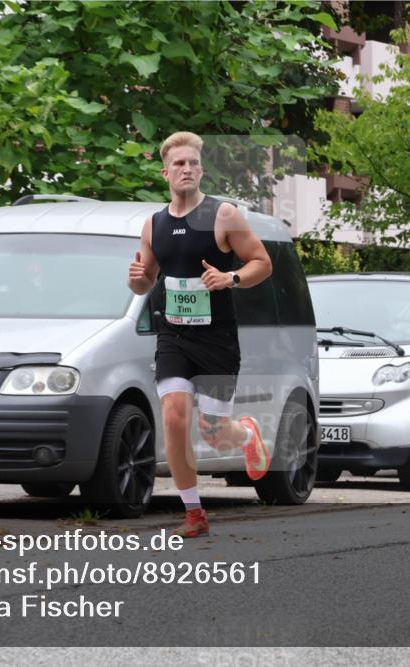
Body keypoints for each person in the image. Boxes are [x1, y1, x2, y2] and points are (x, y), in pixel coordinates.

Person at [127, 131, 273, 538]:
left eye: (193, 163)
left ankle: (246, 434)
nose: (187, 169)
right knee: (174, 416)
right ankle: (194, 512)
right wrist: (137, 280)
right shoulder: (153, 225)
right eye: (179, 163)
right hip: (173, 336)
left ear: (201, 170)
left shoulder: (223, 215)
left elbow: (262, 263)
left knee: (215, 432)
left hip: (217, 340)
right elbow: (146, 282)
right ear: (166, 173)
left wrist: (230, 278)